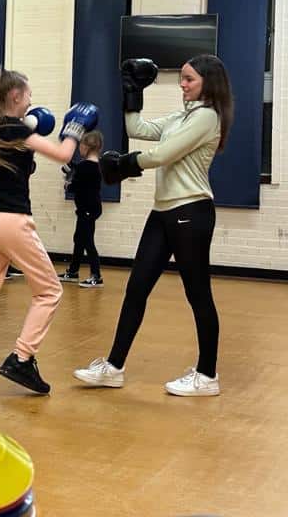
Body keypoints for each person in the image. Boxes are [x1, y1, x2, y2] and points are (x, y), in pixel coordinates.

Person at [73, 55, 233, 397]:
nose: (183, 84)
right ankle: (114, 367)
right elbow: (138, 130)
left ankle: (207, 376)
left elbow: (162, 155)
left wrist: (126, 164)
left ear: (208, 81)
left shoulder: (207, 117)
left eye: (189, 79)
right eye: (182, 79)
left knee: (198, 294)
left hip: (191, 210)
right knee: (137, 288)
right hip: (163, 213)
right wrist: (133, 94)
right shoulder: (184, 115)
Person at [0, 65, 98, 396]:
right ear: (15, 95)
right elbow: (65, 153)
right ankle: (22, 358)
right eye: (28, 96)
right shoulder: (14, 128)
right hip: (12, 221)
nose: (30, 102)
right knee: (49, 291)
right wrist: (75, 128)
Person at [58, 130, 105, 288]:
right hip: (90, 208)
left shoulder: (86, 167)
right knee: (79, 239)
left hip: (87, 209)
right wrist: (72, 170)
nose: (79, 149)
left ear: (86, 147)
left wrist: (67, 183)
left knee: (87, 241)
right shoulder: (95, 165)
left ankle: (96, 276)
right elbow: (80, 173)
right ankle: (73, 271)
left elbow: (74, 186)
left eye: (81, 146)